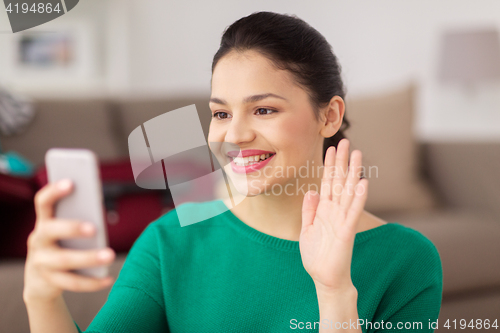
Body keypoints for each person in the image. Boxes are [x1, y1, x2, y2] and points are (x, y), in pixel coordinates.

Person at [23, 11, 442, 333]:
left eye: (264, 109)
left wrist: (334, 293)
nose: (235, 134)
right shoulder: (170, 241)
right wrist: (41, 297)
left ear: (329, 116)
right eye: (221, 113)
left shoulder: (406, 261)